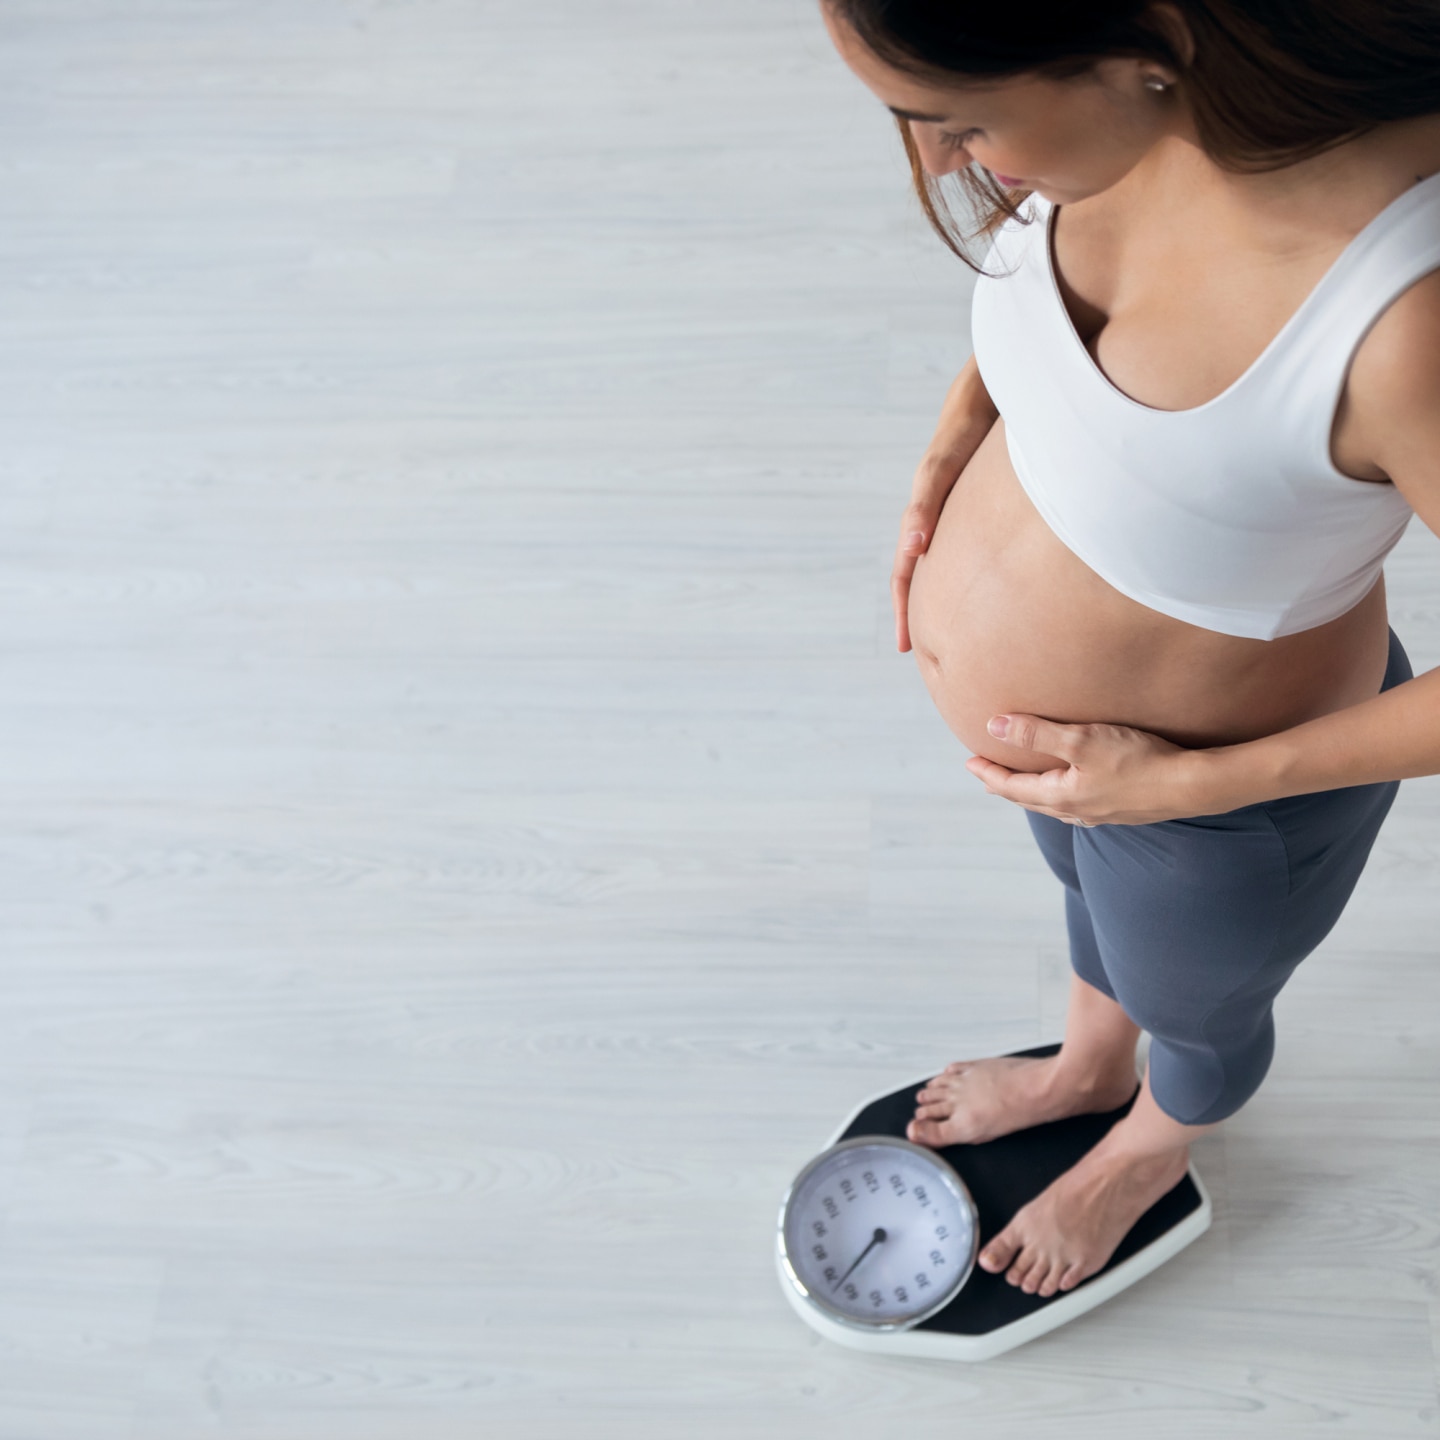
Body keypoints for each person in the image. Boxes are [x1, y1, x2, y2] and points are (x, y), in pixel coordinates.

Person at [820, 0, 1440, 1301]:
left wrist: (1188, 786)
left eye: (960, 121)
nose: (938, 163)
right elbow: (1047, 322)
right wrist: (957, 435)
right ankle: (1086, 1070)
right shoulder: (1130, 127)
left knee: (1200, 1014)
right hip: (1076, 770)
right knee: (1092, 917)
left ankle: (1157, 1139)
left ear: (1141, 52)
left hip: (1220, 812)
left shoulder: (1405, 316)